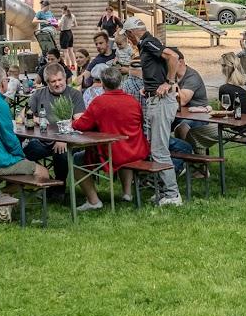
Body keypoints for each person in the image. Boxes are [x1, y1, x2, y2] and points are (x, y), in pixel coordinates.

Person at [123, 15, 182, 206]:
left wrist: (169, 82)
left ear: (131, 33)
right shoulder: (146, 44)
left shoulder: (148, 42)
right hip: (154, 98)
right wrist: (149, 87)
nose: (129, 40)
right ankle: (164, 191)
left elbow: (173, 57)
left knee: (159, 149)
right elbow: (159, 66)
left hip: (162, 101)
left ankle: (173, 195)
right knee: (155, 148)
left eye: (128, 36)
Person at [72, 65, 150, 208]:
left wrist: (72, 122)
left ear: (102, 83)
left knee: (76, 160)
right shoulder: (132, 101)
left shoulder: (99, 102)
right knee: (124, 155)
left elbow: (81, 125)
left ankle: (93, 201)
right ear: (120, 82)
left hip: (112, 151)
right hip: (136, 149)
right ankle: (127, 193)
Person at [0, 65, 50, 185]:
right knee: (43, 172)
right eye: (7, 79)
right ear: (3, 82)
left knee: (20, 164)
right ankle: (6, 198)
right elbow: (9, 138)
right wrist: (22, 157)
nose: (8, 82)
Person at [24, 63, 86, 189]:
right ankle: (47, 181)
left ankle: (59, 189)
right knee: (24, 152)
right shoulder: (38, 94)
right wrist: (36, 118)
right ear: (47, 82)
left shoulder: (74, 94)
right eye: (53, 81)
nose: (57, 84)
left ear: (65, 78)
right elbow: (24, 114)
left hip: (68, 141)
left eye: (59, 80)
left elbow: (79, 120)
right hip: (43, 140)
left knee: (61, 152)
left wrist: (63, 138)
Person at [170, 47, 220, 151]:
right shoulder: (172, 75)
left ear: (180, 61)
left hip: (199, 116)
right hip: (179, 114)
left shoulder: (192, 77)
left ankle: (193, 159)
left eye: (169, 62)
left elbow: (182, 101)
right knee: (157, 123)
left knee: (182, 127)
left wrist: (172, 82)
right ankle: (170, 156)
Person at [216, 52, 246, 116]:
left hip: (235, 123)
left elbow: (223, 113)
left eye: (222, 66)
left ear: (225, 68)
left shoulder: (224, 88)